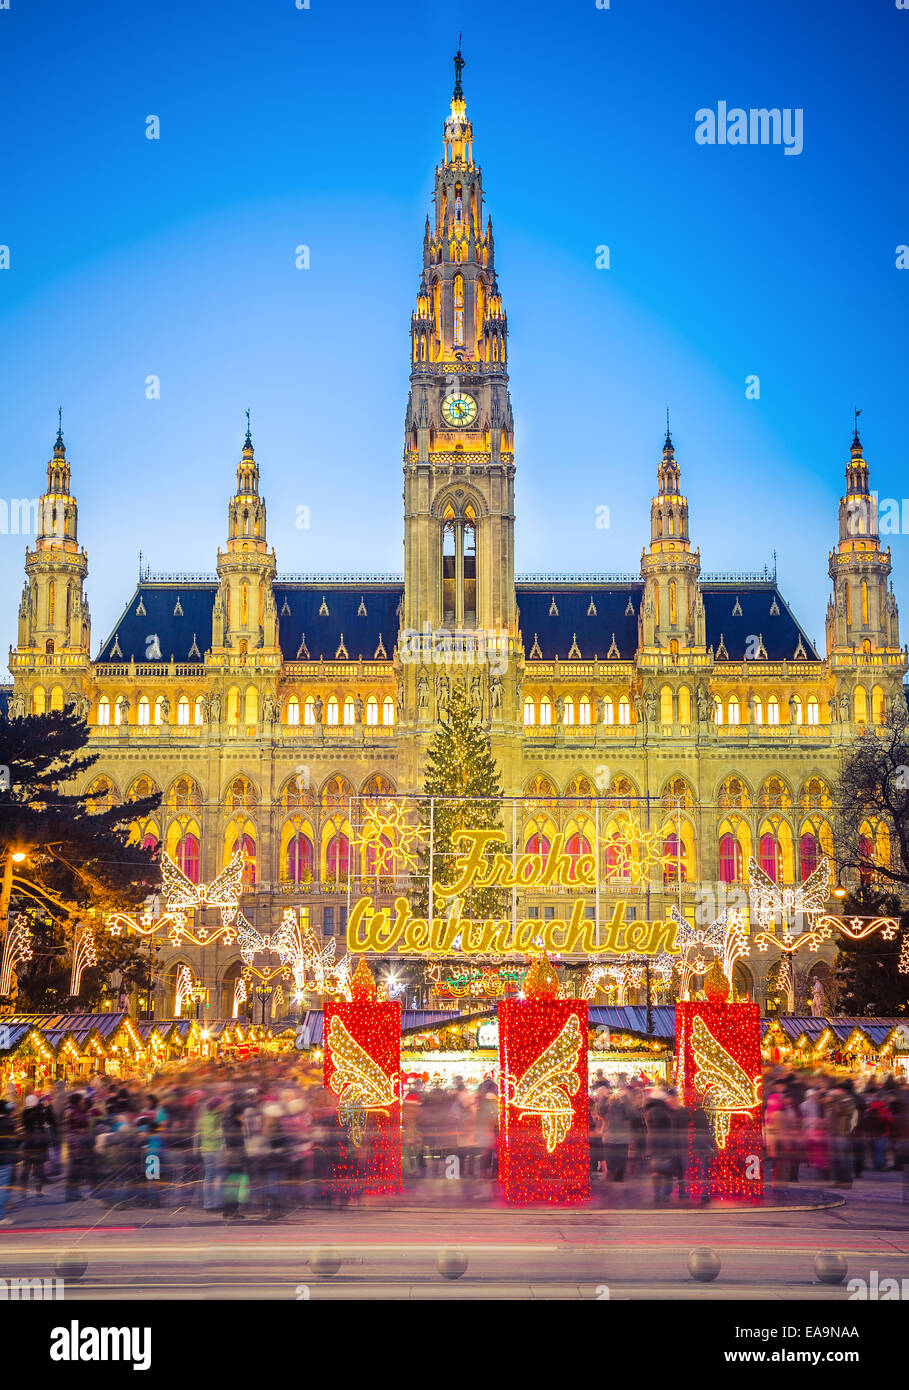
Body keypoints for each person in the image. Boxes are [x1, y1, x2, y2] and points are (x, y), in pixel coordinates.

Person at [195, 1097, 225, 1211]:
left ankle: (212, 1204)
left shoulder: (214, 1116)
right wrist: (224, 1130)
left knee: (211, 1177)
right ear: (217, 1105)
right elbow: (209, 1134)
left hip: (210, 1150)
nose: (224, 1106)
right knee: (216, 1177)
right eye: (222, 1104)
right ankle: (213, 1204)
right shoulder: (209, 1117)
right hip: (212, 1150)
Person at [0, 1099, 20, 1224]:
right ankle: (1, 1216)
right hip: (5, 1159)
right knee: (3, 1188)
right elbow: (14, 1140)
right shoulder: (8, 1122)